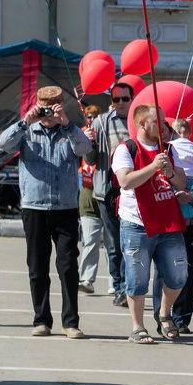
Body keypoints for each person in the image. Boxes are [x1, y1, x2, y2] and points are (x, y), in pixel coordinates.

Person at [0, 86, 93, 338]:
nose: (48, 113)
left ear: (62, 106)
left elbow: (86, 150)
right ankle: (41, 320)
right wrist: (26, 120)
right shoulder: (27, 130)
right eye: (45, 108)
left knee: (68, 267)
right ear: (37, 106)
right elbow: (2, 144)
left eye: (54, 107)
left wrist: (68, 123)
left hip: (65, 209)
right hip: (34, 208)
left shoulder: (70, 131)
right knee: (37, 267)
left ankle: (71, 322)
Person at [111, 104, 190, 343]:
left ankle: (164, 313)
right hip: (137, 224)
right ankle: (138, 326)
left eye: (165, 122)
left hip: (167, 222)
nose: (163, 127)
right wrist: (153, 166)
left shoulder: (168, 149)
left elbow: (181, 181)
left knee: (179, 275)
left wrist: (170, 173)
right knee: (137, 279)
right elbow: (125, 181)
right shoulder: (126, 149)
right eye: (158, 122)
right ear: (142, 124)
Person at [151, 118, 193, 335]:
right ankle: (161, 315)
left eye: (166, 129)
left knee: (188, 270)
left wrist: (191, 195)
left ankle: (182, 318)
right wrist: (173, 195)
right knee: (163, 270)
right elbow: (155, 181)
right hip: (167, 220)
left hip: (190, 220)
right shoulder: (159, 155)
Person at [84, 81, 134, 306]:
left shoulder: (138, 122)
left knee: (130, 242)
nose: (121, 103)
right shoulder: (100, 122)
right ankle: (119, 288)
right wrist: (89, 144)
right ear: (111, 101)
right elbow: (90, 160)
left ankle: (130, 286)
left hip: (132, 189)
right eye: (117, 99)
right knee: (113, 243)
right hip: (107, 190)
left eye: (125, 99)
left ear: (132, 100)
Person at [77, 104, 104, 295]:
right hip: (87, 191)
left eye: (95, 115)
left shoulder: (105, 134)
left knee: (112, 243)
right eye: (88, 116)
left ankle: (116, 283)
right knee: (91, 239)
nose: (91, 119)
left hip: (106, 190)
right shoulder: (81, 134)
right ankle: (86, 278)